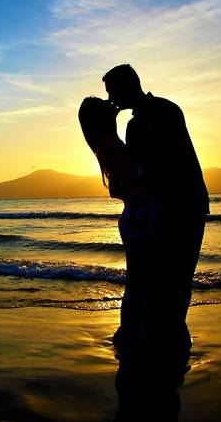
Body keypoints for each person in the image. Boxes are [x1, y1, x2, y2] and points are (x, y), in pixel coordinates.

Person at [80, 64, 209, 360]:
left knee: (170, 279)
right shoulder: (136, 124)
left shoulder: (161, 113)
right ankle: (164, 342)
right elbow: (138, 172)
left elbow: (159, 167)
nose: (112, 100)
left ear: (129, 86)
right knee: (168, 279)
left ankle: (164, 338)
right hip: (167, 208)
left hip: (180, 206)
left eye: (113, 93)